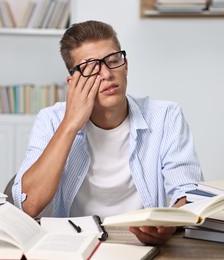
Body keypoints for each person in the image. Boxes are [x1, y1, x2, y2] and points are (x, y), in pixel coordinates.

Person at [12, 20, 203, 245]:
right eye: (91, 68)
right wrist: (70, 123)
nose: (106, 74)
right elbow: (28, 205)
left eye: (113, 61)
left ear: (126, 66)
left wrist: (169, 224)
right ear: (73, 82)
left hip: (141, 245)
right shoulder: (51, 119)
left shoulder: (165, 116)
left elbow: (188, 192)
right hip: (73, 246)